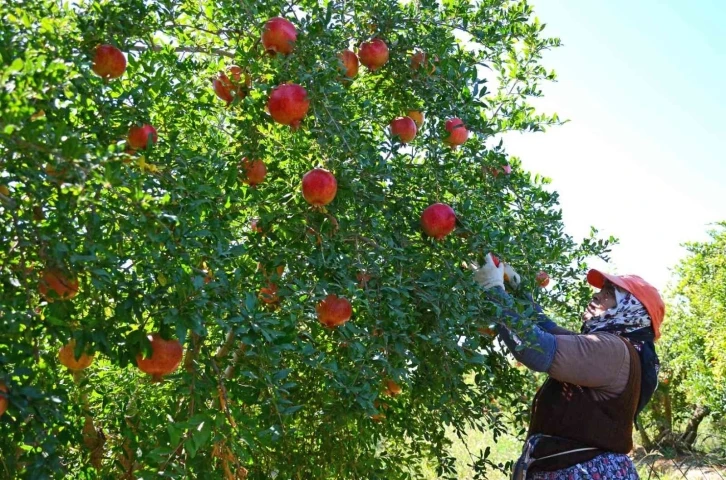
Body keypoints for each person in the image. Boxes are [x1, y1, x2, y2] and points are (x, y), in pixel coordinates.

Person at [470, 254, 665, 480]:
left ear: (631, 310)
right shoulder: (617, 349)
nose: (597, 295)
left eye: (609, 294)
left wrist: (493, 290)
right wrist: (519, 290)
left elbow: (537, 349)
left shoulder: (613, 351)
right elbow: (548, 329)